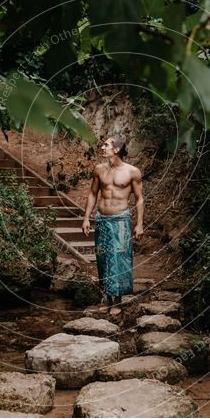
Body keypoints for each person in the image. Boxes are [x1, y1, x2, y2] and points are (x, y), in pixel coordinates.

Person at [82, 136, 144, 317]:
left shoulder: (132, 172)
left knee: (120, 259)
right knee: (103, 259)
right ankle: (108, 298)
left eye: (106, 145)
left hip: (120, 221)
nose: (102, 147)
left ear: (116, 149)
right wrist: (86, 217)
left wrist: (139, 224)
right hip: (101, 219)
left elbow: (139, 198)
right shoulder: (99, 170)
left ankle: (118, 301)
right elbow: (92, 194)